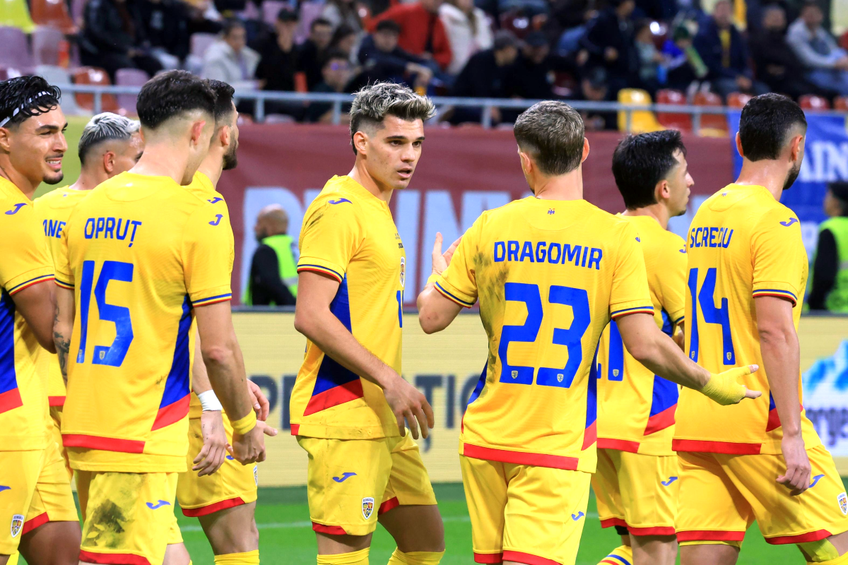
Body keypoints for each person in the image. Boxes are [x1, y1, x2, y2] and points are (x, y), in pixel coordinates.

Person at [416, 100, 759, 565]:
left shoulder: (490, 226)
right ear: (584, 151)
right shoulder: (612, 238)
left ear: (525, 160)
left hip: (484, 436)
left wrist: (439, 276)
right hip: (557, 440)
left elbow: (431, 318)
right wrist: (713, 384)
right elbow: (644, 343)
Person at [51, 70, 267, 565]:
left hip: (85, 419)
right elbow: (216, 346)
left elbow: (63, 328)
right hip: (143, 425)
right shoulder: (200, 214)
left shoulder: (89, 204)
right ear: (200, 132)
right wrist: (241, 421)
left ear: (142, 131)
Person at [675, 93, 848, 564]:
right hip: (759, 419)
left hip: (700, 416)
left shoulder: (706, 213)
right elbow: (775, 331)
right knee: (839, 550)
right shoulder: (775, 222)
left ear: (739, 142)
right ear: (796, 150)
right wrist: (792, 432)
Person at [292, 82, 445, 565]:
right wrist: (391, 380)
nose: (410, 156)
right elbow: (310, 314)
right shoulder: (338, 209)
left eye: (417, 143)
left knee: (425, 543)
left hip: (382, 416)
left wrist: (441, 284)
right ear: (362, 142)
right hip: (344, 412)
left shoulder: (378, 209)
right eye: (396, 142)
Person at [177, 79, 277, 565]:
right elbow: (211, 341)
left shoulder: (138, 198)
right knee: (239, 538)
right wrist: (222, 406)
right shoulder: (204, 206)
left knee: (142, 539)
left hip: (131, 401)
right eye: (236, 122)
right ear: (220, 134)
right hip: (187, 404)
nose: (239, 132)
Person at [593, 130, 693, 565]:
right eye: (685, 173)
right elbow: (689, 340)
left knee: (633, 547)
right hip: (647, 417)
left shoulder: (601, 235)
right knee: (659, 549)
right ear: (663, 189)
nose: (692, 182)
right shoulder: (667, 246)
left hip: (596, 417)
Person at [33, 112, 143, 478]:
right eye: (138, 160)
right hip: (96, 384)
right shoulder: (126, 223)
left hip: (34, 381)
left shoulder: (36, 211)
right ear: (110, 161)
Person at [0, 75, 80, 565]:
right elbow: (55, 330)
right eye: (44, 131)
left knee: (64, 552)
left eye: (62, 130)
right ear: (4, 137)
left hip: (31, 416)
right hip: (7, 417)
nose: (60, 145)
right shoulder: (13, 213)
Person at [694, 0, 768, 99]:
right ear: (714, 12)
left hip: (738, 77)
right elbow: (710, 65)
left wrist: (746, 77)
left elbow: (745, 61)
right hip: (716, 78)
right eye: (721, 9)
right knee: (731, 88)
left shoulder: (738, 36)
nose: (724, 13)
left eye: (727, 9)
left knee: (763, 89)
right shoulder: (703, 35)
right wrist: (736, 77)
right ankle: (736, 114)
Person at [79, 0, 164, 81]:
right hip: (101, 52)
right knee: (128, 66)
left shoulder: (131, 6)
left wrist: (137, 48)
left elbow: (139, 34)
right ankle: (120, 95)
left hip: (126, 51)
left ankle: (155, 94)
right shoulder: (97, 4)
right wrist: (125, 49)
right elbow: (96, 35)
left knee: (153, 64)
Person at [450, 30, 519, 124]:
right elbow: (477, 89)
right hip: (464, 104)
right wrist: (489, 108)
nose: (516, 53)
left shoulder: (504, 67)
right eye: (515, 49)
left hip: (485, 105)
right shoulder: (481, 60)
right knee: (492, 118)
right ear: (507, 49)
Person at [750, 5, 818, 100]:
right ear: (764, 20)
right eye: (774, 16)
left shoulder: (786, 40)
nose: (777, 19)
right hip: (771, 82)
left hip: (792, 79)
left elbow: (795, 64)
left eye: (780, 17)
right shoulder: (757, 40)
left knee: (820, 91)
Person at [370, 0, 453, 72]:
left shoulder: (438, 23)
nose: (438, 2)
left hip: (424, 64)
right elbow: (373, 27)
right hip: (401, 62)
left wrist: (433, 58)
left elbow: (447, 54)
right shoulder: (405, 12)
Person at [787, 0, 848, 96]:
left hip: (826, 68)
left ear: (821, 16)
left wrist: (842, 60)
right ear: (802, 15)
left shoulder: (818, 29)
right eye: (809, 13)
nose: (812, 16)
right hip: (806, 72)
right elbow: (809, 60)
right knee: (843, 82)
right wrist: (834, 64)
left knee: (840, 55)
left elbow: (833, 49)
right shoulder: (796, 32)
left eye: (815, 13)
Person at [356, 20, 433, 93]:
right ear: (376, 35)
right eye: (385, 35)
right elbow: (382, 62)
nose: (389, 39)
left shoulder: (395, 50)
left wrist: (425, 70)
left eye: (394, 36)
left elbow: (414, 60)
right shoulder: (366, 49)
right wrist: (409, 67)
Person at [579, 0, 638, 95]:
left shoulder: (628, 22)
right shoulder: (603, 18)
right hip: (601, 68)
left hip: (621, 70)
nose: (633, 5)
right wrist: (603, 51)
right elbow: (585, 40)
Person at [245, 204, 298, 306]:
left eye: (258, 223)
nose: (255, 228)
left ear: (270, 226)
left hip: (274, 316)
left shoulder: (266, 250)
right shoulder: (295, 246)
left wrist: (291, 307)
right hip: (299, 312)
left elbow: (272, 285)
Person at [255, 8, 304, 118]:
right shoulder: (264, 42)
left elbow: (298, 74)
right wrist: (282, 49)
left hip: (290, 96)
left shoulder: (297, 49)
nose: (289, 27)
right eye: (286, 23)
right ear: (277, 22)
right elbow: (262, 73)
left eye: (292, 24)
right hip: (267, 95)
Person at [808, 182, 848, 312]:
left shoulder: (831, 229)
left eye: (828, 196)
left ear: (836, 202)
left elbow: (824, 276)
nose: (825, 200)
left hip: (836, 311)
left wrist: (815, 305)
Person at [202, 19, 261, 92]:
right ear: (224, 38)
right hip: (219, 101)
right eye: (235, 38)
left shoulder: (248, 55)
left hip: (243, 99)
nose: (239, 42)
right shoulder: (214, 57)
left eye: (242, 37)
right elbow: (219, 89)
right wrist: (254, 85)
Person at [439, 0, 493, 75]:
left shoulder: (478, 15)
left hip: (480, 66)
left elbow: (487, 42)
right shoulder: (445, 15)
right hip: (456, 68)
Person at [306, 50, 354, 123]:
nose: (340, 71)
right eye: (335, 67)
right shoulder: (321, 91)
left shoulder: (349, 94)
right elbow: (325, 119)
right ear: (324, 70)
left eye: (345, 67)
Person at [301, 18, 336, 90]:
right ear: (311, 34)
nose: (323, 38)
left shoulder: (332, 54)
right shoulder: (302, 53)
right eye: (319, 34)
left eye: (326, 34)